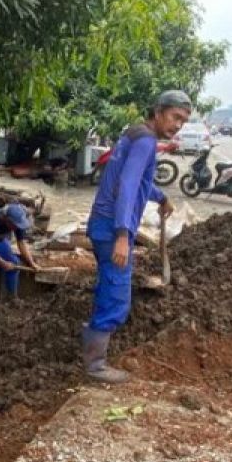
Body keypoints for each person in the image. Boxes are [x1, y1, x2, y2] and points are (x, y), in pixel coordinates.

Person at [82, 90, 189, 382]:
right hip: (111, 227)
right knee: (117, 295)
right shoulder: (145, 140)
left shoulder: (134, 133)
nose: (178, 124)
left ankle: (91, 337)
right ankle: (95, 365)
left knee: (108, 283)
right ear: (158, 112)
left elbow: (135, 181)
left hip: (101, 223)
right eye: (174, 116)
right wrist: (122, 235)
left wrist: (160, 196)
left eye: (183, 120)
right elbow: (127, 186)